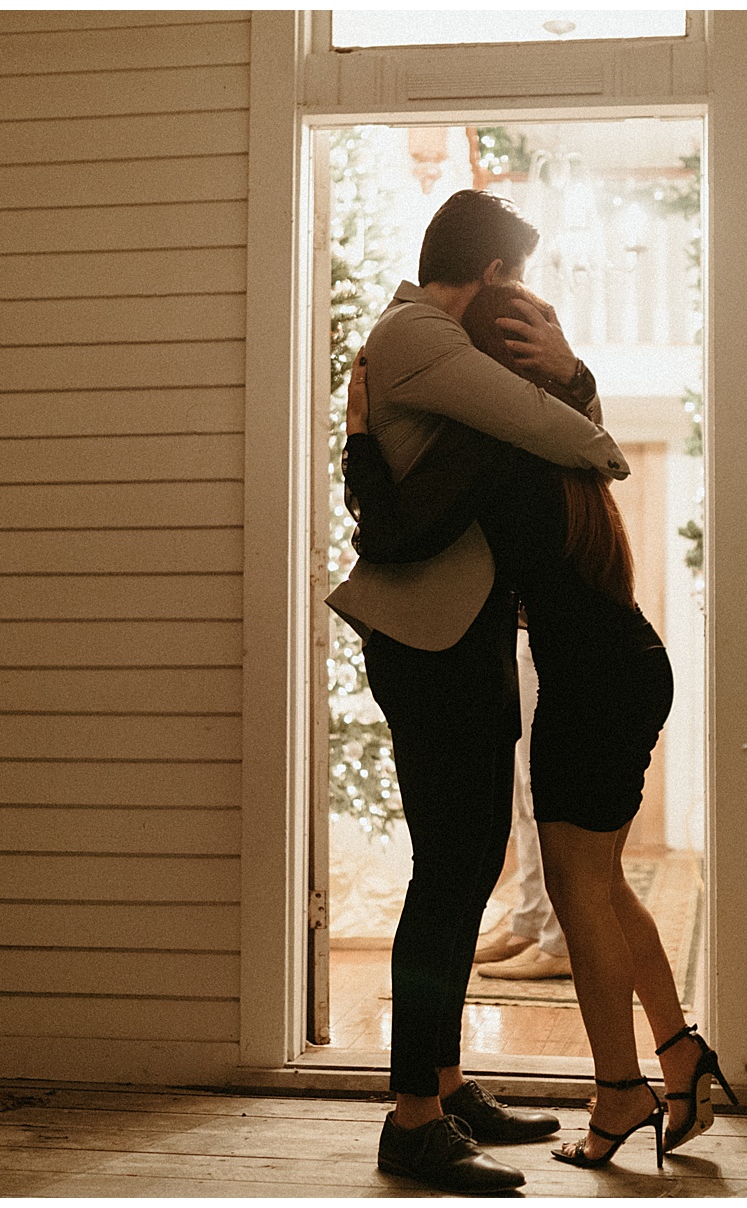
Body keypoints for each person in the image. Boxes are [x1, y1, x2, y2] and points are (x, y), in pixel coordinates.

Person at [342, 280, 737, 1171]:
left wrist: (362, 442)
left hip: (592, 685)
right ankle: (678, 1053)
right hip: (628, 666)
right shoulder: (559, 434)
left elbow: (396, 534)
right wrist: (573, 371)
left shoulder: (498, 444)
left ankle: (619, 1095)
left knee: (580, 892)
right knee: (602, 882)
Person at [325, 190, 630, 1195]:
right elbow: (583, 443)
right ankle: (413, 1119)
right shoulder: (417, 334)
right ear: (493, 277)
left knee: (463, 864)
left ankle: (445, 1086)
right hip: (431, 643)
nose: (523, 309)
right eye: (518, 287)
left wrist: (564, 378)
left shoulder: (421, 345)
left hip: (458, 638)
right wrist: (565, 374)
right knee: (449, 872)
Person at [474, 627, 574, 981]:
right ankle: (530, 923)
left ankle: (558, 942)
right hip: (522, 633)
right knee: (524, 796)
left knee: (543, 793)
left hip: (551, 634)